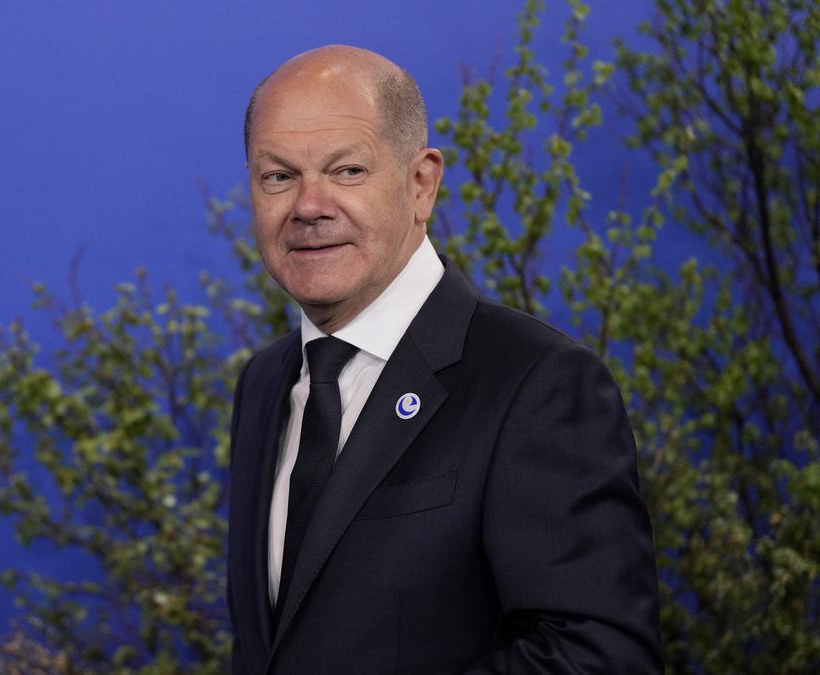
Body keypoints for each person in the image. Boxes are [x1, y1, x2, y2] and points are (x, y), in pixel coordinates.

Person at [226, 45, 662, 674]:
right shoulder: (265, 383)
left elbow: (599, 659)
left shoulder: (536, 383)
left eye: (347, 170)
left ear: (421, 183)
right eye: (278, 176)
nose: (309, 205)